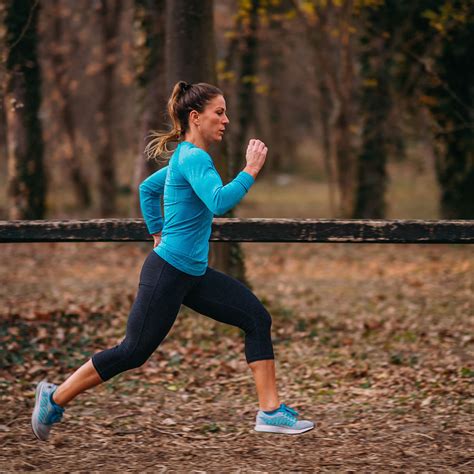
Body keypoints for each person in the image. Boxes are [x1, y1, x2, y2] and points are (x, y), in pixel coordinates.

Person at [31, 81, 314, 441]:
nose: (225, 120)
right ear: (196, 118)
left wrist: (157, 231)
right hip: (168, 273)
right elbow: (218, 201)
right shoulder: (194, 158)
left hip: (192, 274)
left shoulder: (184, 156)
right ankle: (53, 398)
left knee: (256, 318)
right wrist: (251, 169)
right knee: (132, 351)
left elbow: (148, 189)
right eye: (219, 112)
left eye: (225, 112)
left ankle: (271, 411)